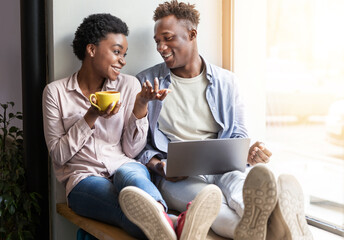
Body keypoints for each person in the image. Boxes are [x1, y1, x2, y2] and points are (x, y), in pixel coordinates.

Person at [136, 1, 313, 240]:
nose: (161, 47)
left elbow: (238, 134)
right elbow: (138, 145)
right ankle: (284, 227)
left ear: (192, 34)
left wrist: (249, 153)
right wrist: (160, 167)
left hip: (225, 167)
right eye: (157, 41)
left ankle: (276, 222)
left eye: (167, 38)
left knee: (242, 192)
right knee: (209, 206)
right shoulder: (146, 83)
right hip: (177, 176)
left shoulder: (227, 82)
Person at [42, 13, 222, 240]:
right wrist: (90, 116)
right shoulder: (55, 93)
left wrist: (141, 106)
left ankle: (170, 226)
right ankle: (179, 225)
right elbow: (59, 156)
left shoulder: (128, 85)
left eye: (124, 54)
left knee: (135, 178)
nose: (123, 60)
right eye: (116, 52)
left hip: (123, 164)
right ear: (91, 50)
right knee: (124, 208)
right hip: (83, 179)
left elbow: (132, 151)